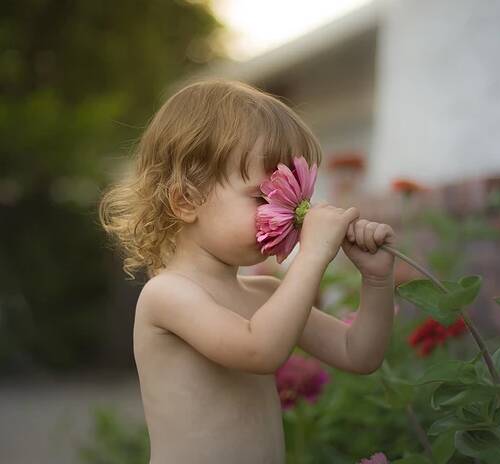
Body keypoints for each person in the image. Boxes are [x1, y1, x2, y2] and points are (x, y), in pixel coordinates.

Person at [98, 79, 397, 464]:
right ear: (187, 200)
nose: (288, 213)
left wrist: (376, 279)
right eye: (262, 197)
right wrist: (312, 257)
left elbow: (358, 354)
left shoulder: (266, 296)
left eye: (294, 197)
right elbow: (260, 350)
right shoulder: (167, 296)